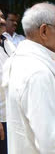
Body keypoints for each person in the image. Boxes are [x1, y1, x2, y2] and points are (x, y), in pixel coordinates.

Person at [2, 3, 55, 153]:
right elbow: (51, 145)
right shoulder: (38, 73)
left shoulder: (20, 59)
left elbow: (38, 127)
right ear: (44, 30)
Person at [0, 9, 15, 154]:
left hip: (14, 112)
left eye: (2, 16)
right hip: (1, 116)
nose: (2, 20)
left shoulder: (7, 42)